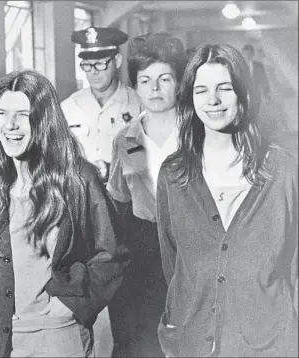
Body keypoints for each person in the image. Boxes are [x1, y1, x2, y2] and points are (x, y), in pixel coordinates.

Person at [0, 69, 130, 357]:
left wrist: (72, 302)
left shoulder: (77, 178)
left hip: (60, 335)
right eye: (2, 113)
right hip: (0, 337)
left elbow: (112, 254)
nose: (10, 125)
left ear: (44, 120)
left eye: (23, 114)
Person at [156, 43, 298, 357]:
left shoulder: (283, 170)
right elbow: (175, 264)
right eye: (201, 90)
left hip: (269, 344)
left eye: (225, 88)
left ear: (244, 97)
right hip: (191, 342)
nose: (213, 100)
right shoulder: (174, 175)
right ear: (190, 100)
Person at [106, 32, 188, 357]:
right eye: (145, 80)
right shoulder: (125, 140)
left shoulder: (197, 134)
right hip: (144, 250)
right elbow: (117, 203)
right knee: (145, 338)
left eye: (164, 78)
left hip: (191, 246)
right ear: (135, 86)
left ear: (179, 82)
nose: (154, 89)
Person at [61, 26, 142, 182]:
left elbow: (148, 158)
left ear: (117, 61)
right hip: (81, 196)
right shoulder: (68, 107)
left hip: (124, 197)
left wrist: (111, 169)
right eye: (87, 65)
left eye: (100, 63)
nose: (93, 72)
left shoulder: (138, 105)